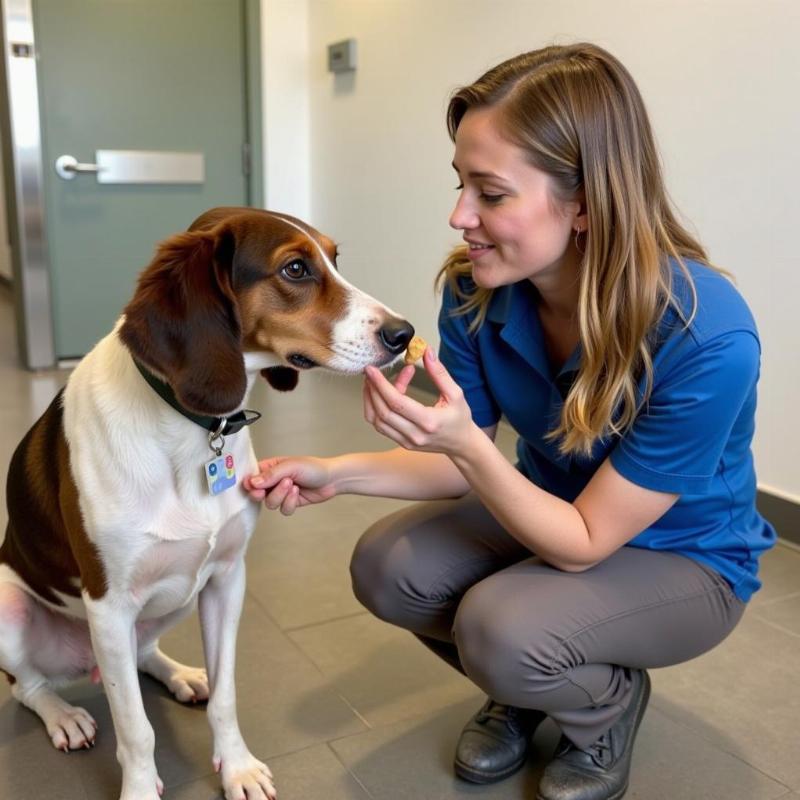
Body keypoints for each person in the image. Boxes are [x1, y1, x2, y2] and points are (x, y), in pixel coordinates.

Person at [244, 43, 775, 800]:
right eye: (461, 185)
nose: (460, 217)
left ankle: (602, 703)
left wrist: (465, 447)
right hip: (550, 514)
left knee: (503, 628)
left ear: (587, 202)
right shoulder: (477, 290)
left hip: (685, 557)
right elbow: (454, 457)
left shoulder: (707, 335)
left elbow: (586, 540)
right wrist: (334, 472)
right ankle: (538, 684)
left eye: (490, 194)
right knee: (386, 567)